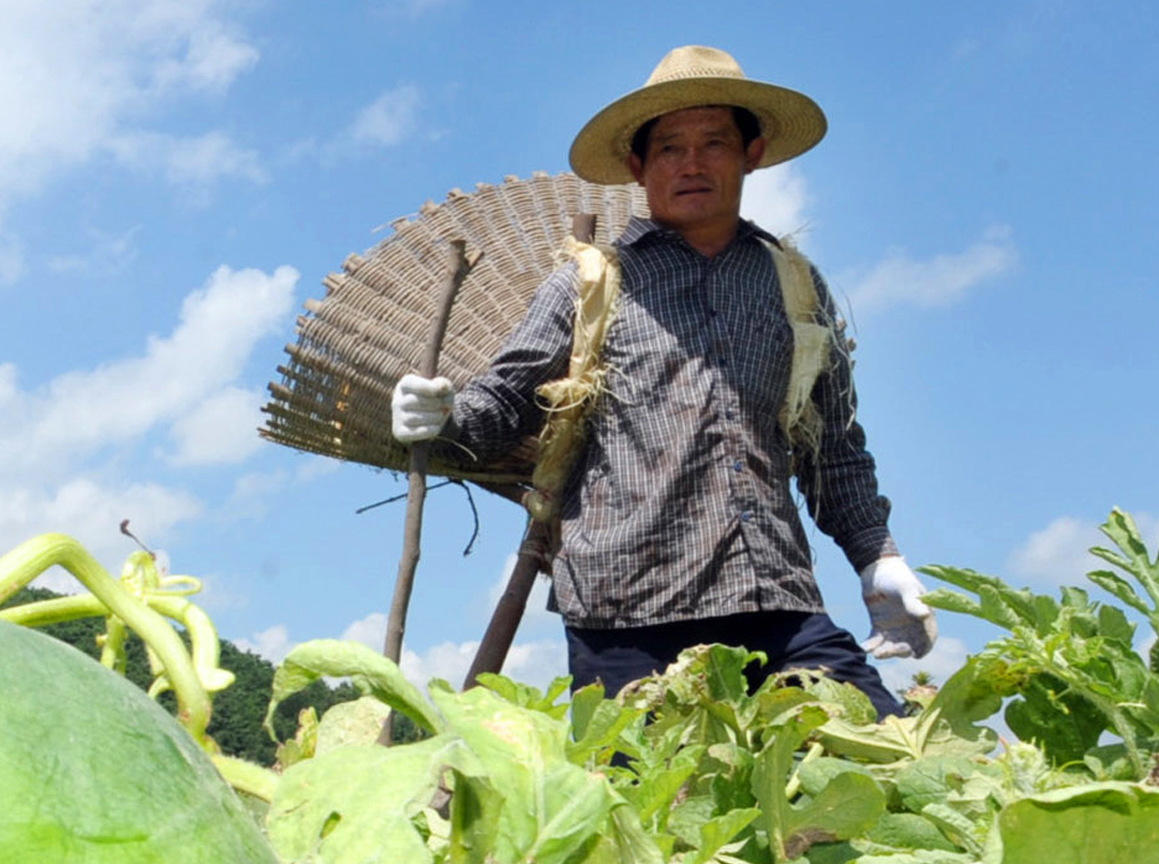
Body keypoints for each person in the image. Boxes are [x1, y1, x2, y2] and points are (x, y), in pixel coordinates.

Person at [391, 45, 937, 716]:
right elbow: (503, 401)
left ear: (753, 154)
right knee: (645, 813)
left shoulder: (795, 287)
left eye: (715, 143)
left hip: (774, 604)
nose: (692, 163)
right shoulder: (591, 284)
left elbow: (833, 452)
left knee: (882, 758)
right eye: (670, 147)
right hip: (628, 618)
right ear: (637, 167)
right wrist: (443, 417)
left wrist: (877, 558)